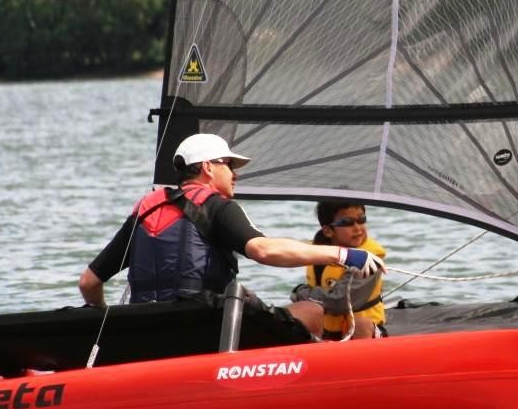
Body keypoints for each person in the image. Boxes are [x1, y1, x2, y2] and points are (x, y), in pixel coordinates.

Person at [77, 133, 384, 338]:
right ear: (208, 168)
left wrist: (112, 325)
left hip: (146, 330)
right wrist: (343, 254)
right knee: (311, 311)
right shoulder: (216, 206)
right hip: (207, 328)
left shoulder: (145, 209)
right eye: (229, 165)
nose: (235, 173)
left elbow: (89, 282)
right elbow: (264, 250)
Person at [301, 202, 387, 340]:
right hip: (327, 331)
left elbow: (339, 302)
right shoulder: (315, 250)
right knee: (299, 313)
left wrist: (301, 293)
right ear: (328, 231)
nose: (357, 228)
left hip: (362, 331)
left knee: (361, 325)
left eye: (361, 219)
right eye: (347, 222)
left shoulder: (371, 258)